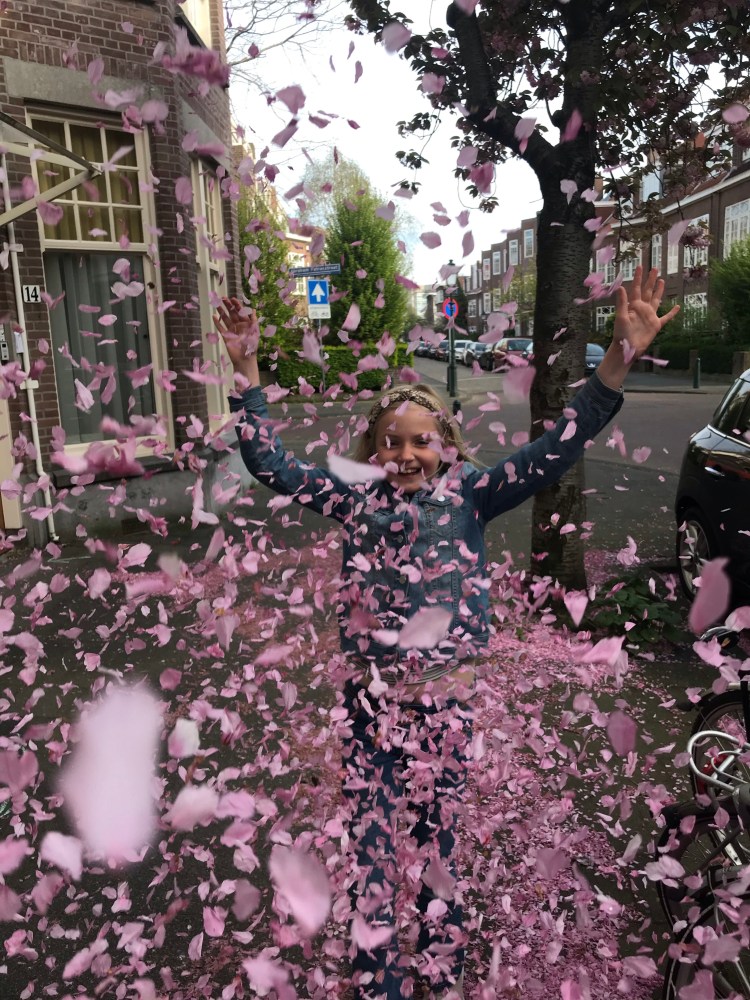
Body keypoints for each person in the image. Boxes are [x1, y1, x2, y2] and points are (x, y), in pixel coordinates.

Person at [214, 267, 678, 999]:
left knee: (437, 848)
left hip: (443, 708)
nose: (405, 455)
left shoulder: (473, 495)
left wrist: (616, 363)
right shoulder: (352, 499)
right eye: (390, 443)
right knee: (371, 851)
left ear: (448, 446)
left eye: (421, 442)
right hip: (369, 708)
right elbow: (269, 463)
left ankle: (441, 960)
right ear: (372, 451)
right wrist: (247, 376)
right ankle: (378, 977)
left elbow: (556, 447)